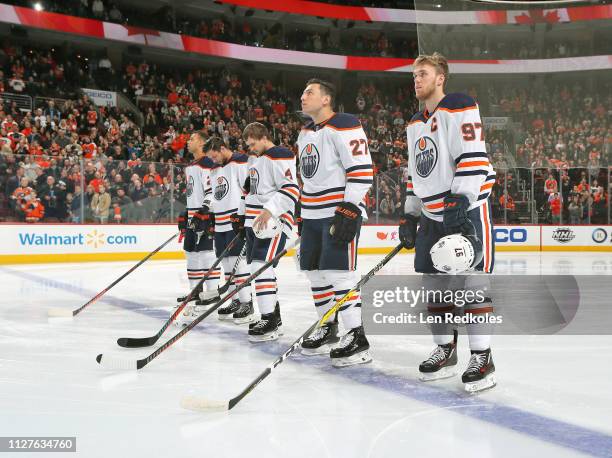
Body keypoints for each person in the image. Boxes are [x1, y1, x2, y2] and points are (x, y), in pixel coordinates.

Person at [397, 52, 496, 392]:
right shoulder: (414, 122)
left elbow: (474, 154)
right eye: (414, 75)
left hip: (466, 208)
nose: (416, 79)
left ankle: (482, 358)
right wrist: (410, 213)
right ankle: (446, 350)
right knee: (433, 287)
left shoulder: (458, 104)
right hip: (431, 214)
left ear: (440, 77)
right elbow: (415, 173)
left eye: (423, 73)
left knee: (472, 285)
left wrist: (462, 197)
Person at [296, 78, 374, 367]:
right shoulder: (305, 132)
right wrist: (300, 212)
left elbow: (362, 168)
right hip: (312, 213)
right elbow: (307, 176)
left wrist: (349, 208)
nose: (303, 97)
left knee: (339, 273)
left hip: (336, 211)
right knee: (315, 273)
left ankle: (356, 335)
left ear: (326, 99)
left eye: (309, 92)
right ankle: (328, 325)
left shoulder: (345, 124)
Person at [241, 122, 299, 342]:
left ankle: (270, 318)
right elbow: (253, 192)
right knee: (258, 266)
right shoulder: (257, 160)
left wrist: (269, 210)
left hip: (276, 220)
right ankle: (272, 316)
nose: (251, 148)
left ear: (264, 137)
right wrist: (244, 219)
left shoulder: (280, 155)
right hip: (258, 221)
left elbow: (291, 188)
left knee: (260, 265)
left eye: (253, 144)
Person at [203, 136, 253, 324]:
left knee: (238, 264)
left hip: (235, 221)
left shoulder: (240, 162)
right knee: (227, 264)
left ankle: (247, 302)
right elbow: (217, 196)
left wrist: (244, 217)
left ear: (223, 148)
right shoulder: (215, 169)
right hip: (221, 223)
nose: (213, 161)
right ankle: (234, 299)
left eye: (215, 156)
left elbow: (247, 191)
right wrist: (208, 215)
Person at [175, 131, 221, 323]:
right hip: (194, 214)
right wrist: (187, 213)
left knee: (205, 254)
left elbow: (213, 192)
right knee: (191, 253)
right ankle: (195, 292)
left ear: (202, 143)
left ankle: (211, 294)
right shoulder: (191, 166)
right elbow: (194, 194)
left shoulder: (207, 164)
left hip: (206, 215)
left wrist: (204, 211)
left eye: (192, 139)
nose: (188, 141)